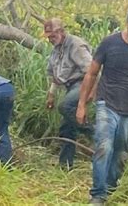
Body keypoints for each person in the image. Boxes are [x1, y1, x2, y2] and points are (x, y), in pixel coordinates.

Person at [76, 6, 128, 205]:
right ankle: (98, 195)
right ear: (127, 22)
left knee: (121, 154)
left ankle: (110, 188)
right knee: (103, 147)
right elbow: (91, 73)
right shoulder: (110, 43)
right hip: (107, 104)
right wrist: (81, 105)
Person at [44, 18, 93, 169]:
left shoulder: (75, 44)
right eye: (48, 37)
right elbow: (55, 75)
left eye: (53, 36)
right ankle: (65, 165)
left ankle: (95, 133)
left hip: (83, 83)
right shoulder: (56, 50)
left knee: (65, 106)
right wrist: (51, 94)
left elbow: (92, 70)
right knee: (66, 128)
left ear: (61, 32)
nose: (51, 39)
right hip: (70, 87)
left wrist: (90, 93)